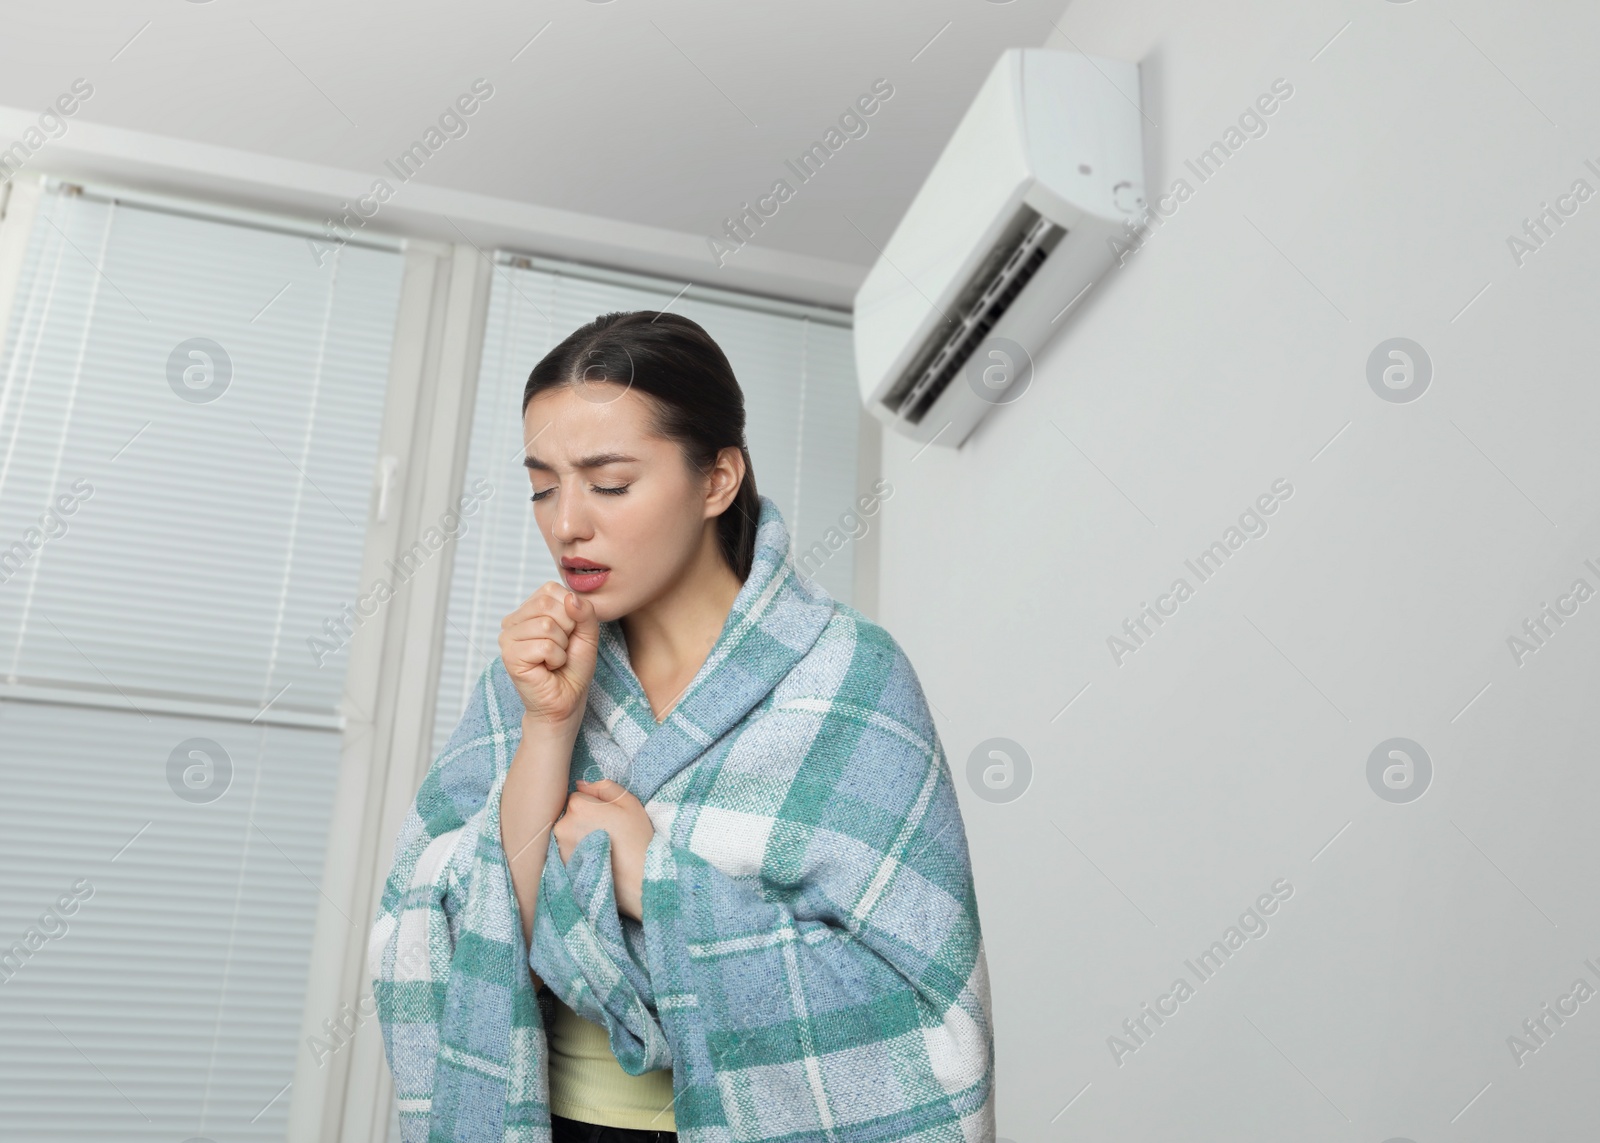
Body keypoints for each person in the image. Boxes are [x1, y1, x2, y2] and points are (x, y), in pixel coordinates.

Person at [369, 310, 995, 1143]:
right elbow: (471, 929)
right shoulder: (526, 679)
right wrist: (549, 725)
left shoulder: (847, 673)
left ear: (716, 480)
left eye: (610, 482)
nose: (567, 523)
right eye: (543, 485)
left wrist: (651, 875)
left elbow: (924, 1011)